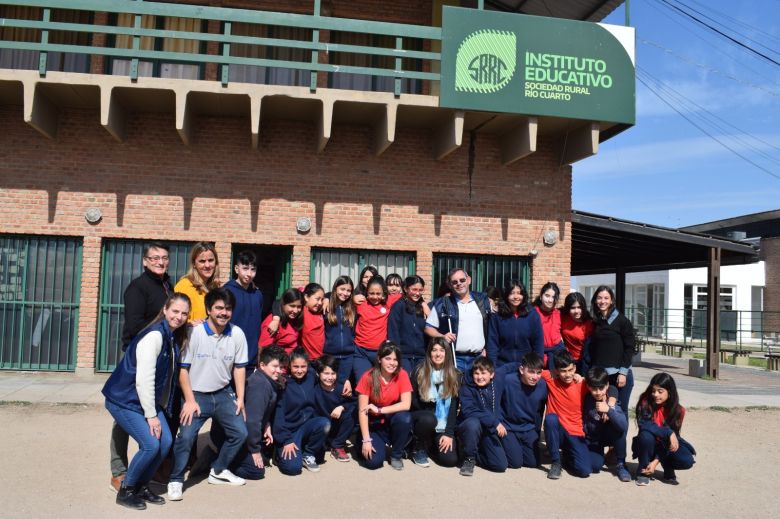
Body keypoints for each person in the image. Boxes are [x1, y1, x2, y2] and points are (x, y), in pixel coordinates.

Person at [102, 293, 191, 509]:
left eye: (184, 313)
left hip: (143, 400)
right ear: (165, 310)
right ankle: (127, 490)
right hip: (125, 400)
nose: (179, 317)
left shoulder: (171, 335)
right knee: (151, 444)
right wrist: (152, 416)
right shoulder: (154, 336)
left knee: (166, 442)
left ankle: (141, 485)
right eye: (175, 311)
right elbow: (144, 380)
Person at [167, 288, 248, 501]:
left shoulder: (237, 334)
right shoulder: (194, 332)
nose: (223, 312)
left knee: (240, 432)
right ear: (209, 310)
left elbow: (239, 368)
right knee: (185, 437)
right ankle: (175, 479)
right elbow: (183, 370)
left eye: (228, 308)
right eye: (219, 308)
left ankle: (219, 470)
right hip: (196, 394)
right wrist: (190, 401)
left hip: (223, 393)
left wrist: (240, 398)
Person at [109, 242, 174, 493]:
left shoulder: (168, 285)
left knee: (149, 409)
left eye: (164, 258)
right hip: (136, 358)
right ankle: (118, 469)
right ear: (145, 261)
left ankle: (144, 464)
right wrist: (164, 323)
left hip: (160, 356)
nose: (160, 262)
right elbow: (135, 325)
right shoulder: (137, 287)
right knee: (123, 414)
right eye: (155, 258)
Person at [218, 345, 287, 481]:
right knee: (256, 471)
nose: (278, 371)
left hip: (243, 434)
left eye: (280, 367)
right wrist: (255, 450)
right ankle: (217, 462)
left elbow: (261, 412)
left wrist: (266, 423)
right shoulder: (260, 386)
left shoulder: (268, 381)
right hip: (232, 436)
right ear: (262, 365)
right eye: (274, 366)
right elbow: (252, 421)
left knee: (262, 461)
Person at [273, 348, 331, 474]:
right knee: (293, 468)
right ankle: (278, 453)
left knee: (324, 423)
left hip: (307, 426)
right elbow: (278, 415)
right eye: (296, 366)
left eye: (303, 366)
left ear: (308, 365)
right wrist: (285, 440)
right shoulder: (283, 383)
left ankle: (308, 453)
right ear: (289, 365)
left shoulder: (311, 375)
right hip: (289, 431)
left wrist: (345, 381)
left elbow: (328, 371)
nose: (300, 370)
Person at [356, 342, 413, 470]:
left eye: (395, 359)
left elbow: (406, 404)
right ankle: (361, 443)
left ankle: (396, 455)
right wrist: (366, 440)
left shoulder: (402, 374)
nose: (392, 363)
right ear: (379, 359)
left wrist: (380, 409)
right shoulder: (368, 377)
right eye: (387, 358)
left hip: (390, 422)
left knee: (405, 418)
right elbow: (362, 411)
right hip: (373, 425)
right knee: (374, 463)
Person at [633, 373, 695, 486]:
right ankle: (643, 471)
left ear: (669, 392)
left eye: (660, 391)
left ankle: (668, 467)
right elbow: (644, 425)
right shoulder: (645, 402)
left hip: (664, 446)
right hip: (647, 444)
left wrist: (656, 461)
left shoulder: (679, 411)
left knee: (686, 460)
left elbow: (670, 440)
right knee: (646, 436)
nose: (655, 394)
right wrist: (669, 432)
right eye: (653, 391)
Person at [426, 267, 491, 373]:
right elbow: (428, 327)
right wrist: (442, 336)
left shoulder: (482, 300)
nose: (459, 284)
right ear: (450, 285)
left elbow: (491, 326)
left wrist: (487, 348)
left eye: (462, 280)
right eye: (454, 282)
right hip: (455, 358)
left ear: (469, 280)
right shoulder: (443, 303)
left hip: (479, 358)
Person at [409, 338, 460, 468]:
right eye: (434, 350)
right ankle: (418, 446)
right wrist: (429, 406)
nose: (438, 354)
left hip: (442, 425)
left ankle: (431, 446)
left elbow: (453, 408)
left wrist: (448, 434)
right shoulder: (419, 371)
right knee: (429, 418)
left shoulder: (455, 375)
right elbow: (412, 401)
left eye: (442, 350)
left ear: (447, 353)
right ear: (429, 353)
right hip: (423, 421)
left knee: (450, 460)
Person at [542, 350, 590, 480]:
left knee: (584, 471)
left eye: (570, 370)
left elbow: (604, 386)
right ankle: (556, 462)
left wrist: (611, 401)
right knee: (551, 419)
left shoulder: (582, 383)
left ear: (574, 368)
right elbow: (531, 371)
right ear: (556, 371)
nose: (567, 374)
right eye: (563, 371)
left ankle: (568, 456)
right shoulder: (551, 378)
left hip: (575, 432)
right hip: (558, 430)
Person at [589, 285, 635, 416]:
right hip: (603, 376)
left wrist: (623, 373)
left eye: (606, 298)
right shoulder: (597, 321)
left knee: (620, 411)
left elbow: (630, 347)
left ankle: (621, 438)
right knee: (602, 412)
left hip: (619, 375)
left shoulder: (622, 321)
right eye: (599, 298)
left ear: (611, 300)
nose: (602, 301)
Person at [457, 356, 507, 476]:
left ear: (492, 374)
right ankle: (469, 458)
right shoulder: (467, 387)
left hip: (488, 429)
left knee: (500, 465)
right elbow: (469, 410)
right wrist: (495, 422)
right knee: (473, 423)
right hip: (470, 427)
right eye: (476, 373)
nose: (479, 377)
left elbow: (508, 367)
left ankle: (472, 453)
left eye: (483, 373)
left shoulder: (498, 380)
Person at [499, 352, 548, 470]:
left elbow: (540, 411)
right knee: (516, 463)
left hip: (528, 428)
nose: (535, 377)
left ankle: (517, 446)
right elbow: (496, 403)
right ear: (521, 370)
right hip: (508, 427)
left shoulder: (542, 385)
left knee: (532, 463)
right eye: (531, 372)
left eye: (538, 372)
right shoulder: (507, 381)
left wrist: (536, 431)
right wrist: (498, 422)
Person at [583, 367, 631, 482]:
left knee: (619, 428)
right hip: (594, 438)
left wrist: (609, 410)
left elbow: (623, 426)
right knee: (595, 466)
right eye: (594, 389)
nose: (598, 392)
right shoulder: (587, 400)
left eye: (601, 388)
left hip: (610, 436)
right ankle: (601, 456)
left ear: (607, 386)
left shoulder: (612, 401)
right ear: (588, 387)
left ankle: (621, 463)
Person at [353, 276, 402, 378]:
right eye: (371, 293)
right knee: (363, 380)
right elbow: (338, 299)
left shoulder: (388, 302)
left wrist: (423, 304)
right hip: (361, 352)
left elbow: (409, 294)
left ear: (384, 293)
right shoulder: (360, 303)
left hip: (380, 352)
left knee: (380, 382)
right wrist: (352, 298)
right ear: (366, 292)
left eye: (378, 294)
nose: (375, 297)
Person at [486, 279, 544, 367]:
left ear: (523, 295)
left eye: (519, 293)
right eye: (512, 293)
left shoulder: (532, 314)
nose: (516, 297)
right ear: (506, 295)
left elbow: (538, 343)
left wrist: (538, 365)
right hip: (502, 365)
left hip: (527, 367)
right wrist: (491, 367)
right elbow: (492, 344)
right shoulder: (497, 316)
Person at [224, 250, 264, 374]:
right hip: (229, 356)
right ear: (236, 269)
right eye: (245, 268)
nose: (249, 273)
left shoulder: (257, 294)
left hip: (251, 358)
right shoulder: (227, 291)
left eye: (253, 269)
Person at [313, 355, 357, 462]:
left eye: (333, 373)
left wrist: (342, 407)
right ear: (318, 374)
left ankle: (337, 445)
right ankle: (325, 443)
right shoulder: (314, 389)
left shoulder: (342, 388)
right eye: (326, 373)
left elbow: (355, 402)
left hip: (337, 426)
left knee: (352, 412)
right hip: (321, 427)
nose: (330, 377)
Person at [388, 275, 429, 374]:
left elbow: (429, 330)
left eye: (420, 290)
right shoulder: (398, 306)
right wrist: (396, 355)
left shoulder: (424, 307)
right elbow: (393, 332)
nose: (417, 293)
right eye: (414, 289)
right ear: (406, 289)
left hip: (421, 356)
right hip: (403, 356)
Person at [174, 242, 220, 322]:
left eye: (211, 260)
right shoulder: (185, 286)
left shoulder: (215, 287)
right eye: (202, 261)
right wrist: (190, 324)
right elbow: (175, 318)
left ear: (216, 262)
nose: (207, 265)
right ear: (194, 264)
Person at [323, 276, 357, 385]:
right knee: (329, 385)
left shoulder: (352, 308)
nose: (345, 293)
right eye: (342, 289)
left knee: (343, 386)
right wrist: (326, 297)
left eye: (348, 291)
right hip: (330, 355)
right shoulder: (326, 307)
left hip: (348, 357)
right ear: (335, 289)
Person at [259, 288, 303, 353]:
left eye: (299, 307)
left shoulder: (295, 319)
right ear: (283, 304)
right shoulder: (272, 323)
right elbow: (263, 350)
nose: (296, 311)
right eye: (292, 306)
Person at [533, 282, 565, 371]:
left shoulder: (559, 313)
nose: (550, 300)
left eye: (554, 297)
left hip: (558, 356)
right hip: (539, 355)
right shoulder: (533, 313)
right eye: (547, 295)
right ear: (541, 296)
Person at [561, 292, 594, 375]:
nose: (576, 311)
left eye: (579, 307)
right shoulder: (563, 317)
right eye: (573, 308)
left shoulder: (589, 323)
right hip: (566, 360)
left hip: (583, 362)